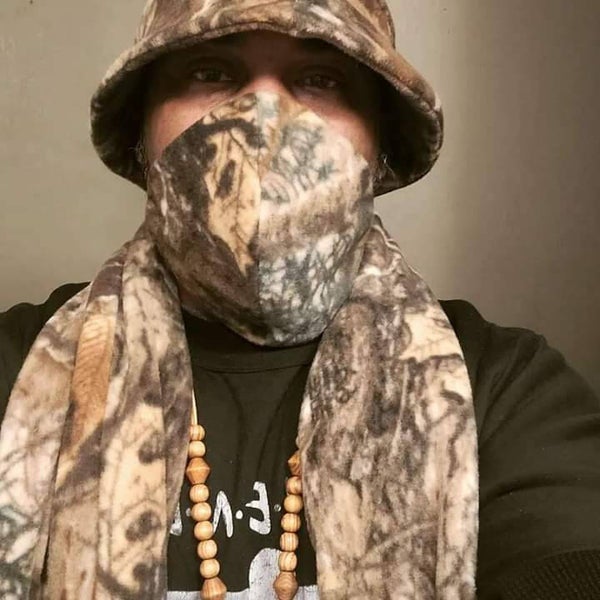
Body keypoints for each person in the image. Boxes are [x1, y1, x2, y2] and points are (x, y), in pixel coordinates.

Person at [0, 1, 599, 599]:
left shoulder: (503, 391)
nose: (264, 113)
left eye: (322, 79)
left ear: (379, 149)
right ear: (141, 136)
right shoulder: (19, 372)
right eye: (210, 72)